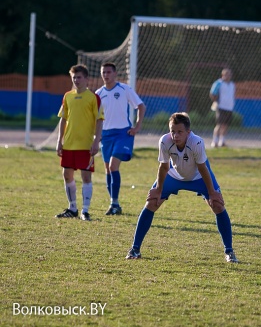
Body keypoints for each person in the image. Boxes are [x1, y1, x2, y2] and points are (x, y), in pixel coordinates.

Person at [125, 112, 239, 263]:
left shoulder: (196, 142)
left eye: (179, 132)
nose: (175, 135)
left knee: (217, 205)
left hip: (198, 176)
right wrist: (158, 190)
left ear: (188, 132)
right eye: (173, 131)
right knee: (152, 202)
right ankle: (135, 249)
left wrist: (212, 193)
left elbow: (203, 168)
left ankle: (229, 251)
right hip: (174, 175)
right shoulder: (164, 141)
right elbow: (163, 167)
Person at [95, 62, 146, 216]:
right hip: (106, 135)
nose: (106, 75)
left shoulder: (124, 89)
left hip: (123, 134)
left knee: (113, 166)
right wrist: (96, 136)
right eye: (104, 72)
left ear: (115, 74)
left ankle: (115, 203)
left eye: (109, 72)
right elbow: (95, 117)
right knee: (107, 169)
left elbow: (141, 106)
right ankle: (113, 204)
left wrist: (137, 127)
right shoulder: (98, 94)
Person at [55, 64, 104, 221]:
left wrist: (96, 141)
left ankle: (85, 210)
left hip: (86, 145)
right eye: (74, 77)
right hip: (69, 144)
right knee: (67, 174)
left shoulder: (93, 97)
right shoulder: (68, 96)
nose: (76, 80)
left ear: (87, 79)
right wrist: (59, 141)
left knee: (86, 177)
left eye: (79, 77)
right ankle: (72, 208)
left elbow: (99, 120)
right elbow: (63, 119)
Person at [209, 68, 235, 148]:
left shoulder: (232, 85)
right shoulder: (218, 83)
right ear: (223, 75)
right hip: (221, 107)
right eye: (226, 74)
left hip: (229, 107)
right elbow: (212, 93)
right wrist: (216, 101)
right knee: (219, 124)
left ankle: (222, 141)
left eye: (229, 74)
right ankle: (215, 141)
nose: (228, 76)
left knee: (226, 125)